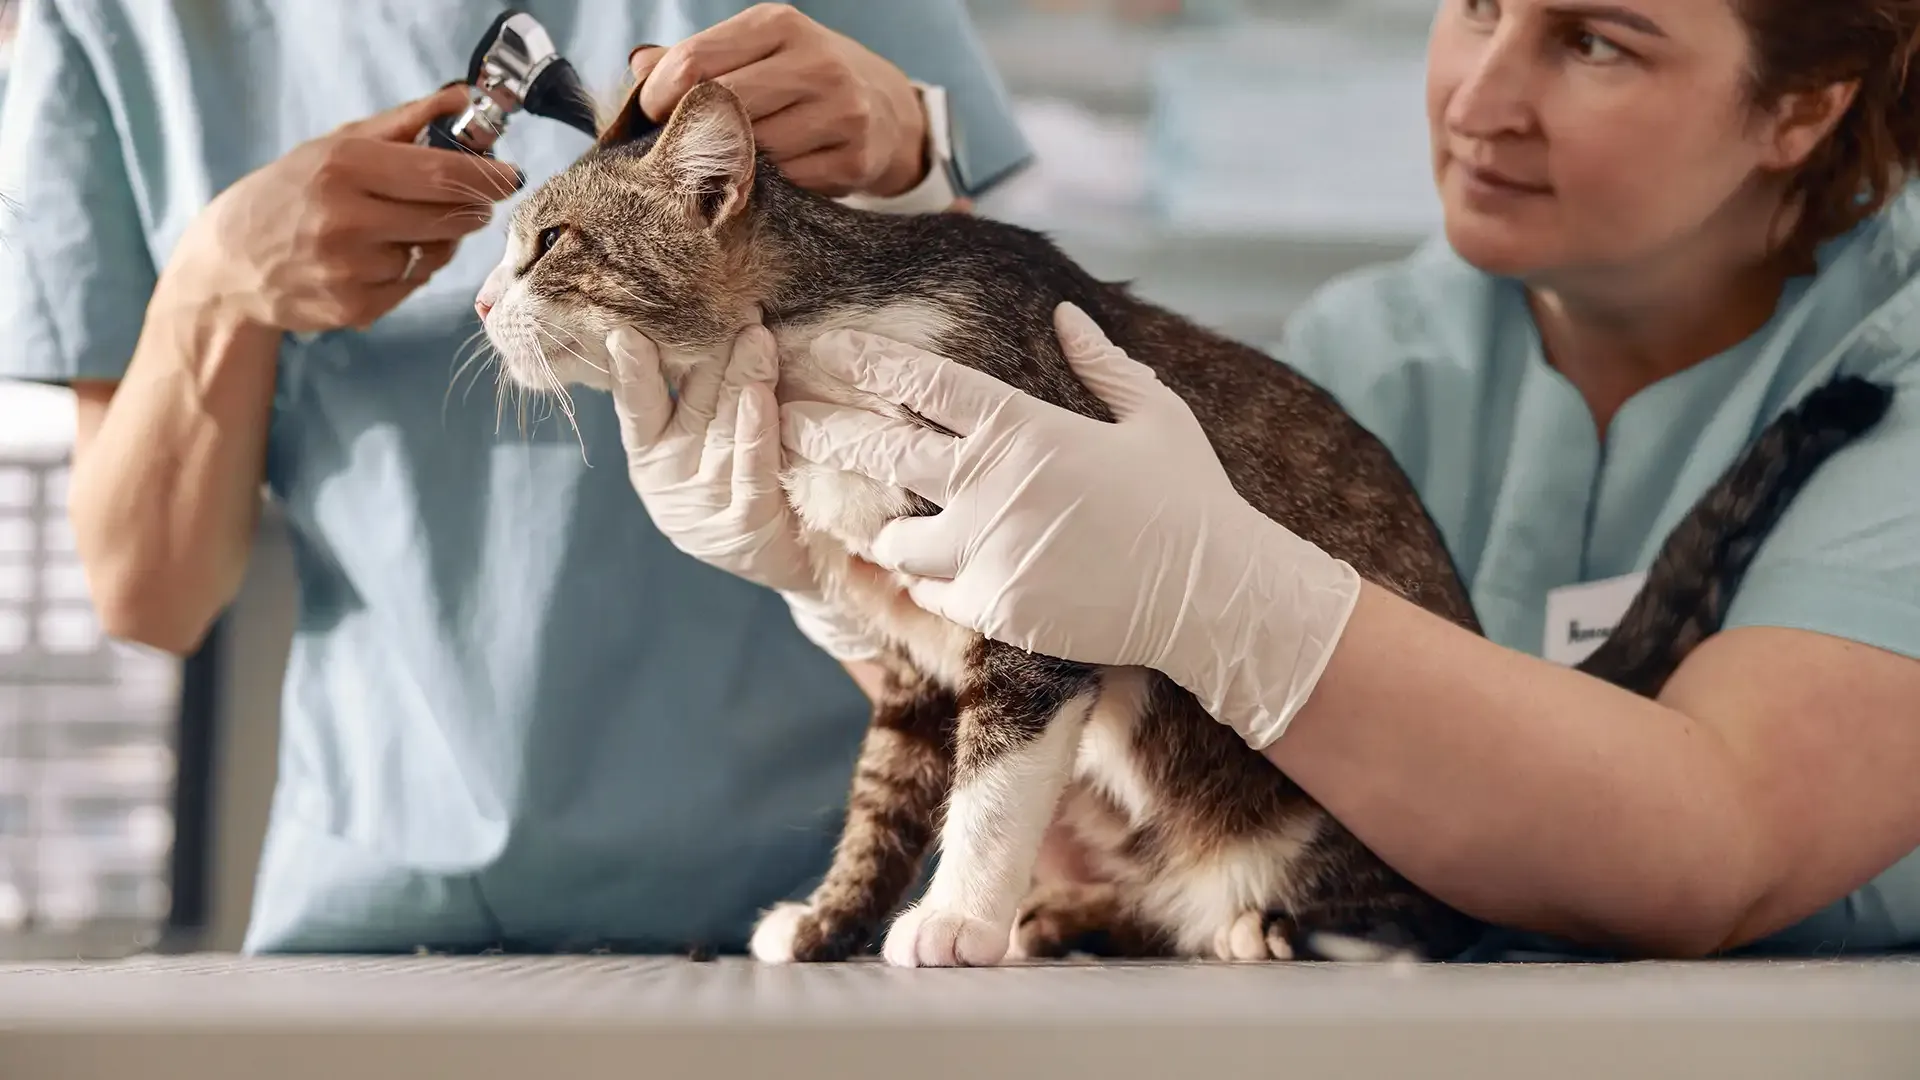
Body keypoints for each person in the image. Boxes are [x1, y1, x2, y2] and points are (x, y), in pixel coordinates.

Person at [627, 0, 1920, 959]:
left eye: (1597, 42)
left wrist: (1230, 600)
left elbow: (1718, 851)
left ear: (1803, 106)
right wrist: (850, 589)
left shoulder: (1900, 362)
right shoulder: (1375, 343)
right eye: (1473, 7)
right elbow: (1121, 817)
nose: (1478, 102)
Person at [0, 0, 1030, 953]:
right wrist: (214, 286)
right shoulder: (122, 24)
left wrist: (914, 160)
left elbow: (1013, 477)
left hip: (841, 899)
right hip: (387, 921)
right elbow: (150, 596)